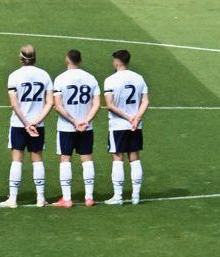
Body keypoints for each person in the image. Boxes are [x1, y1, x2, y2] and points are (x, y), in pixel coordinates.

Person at [0, 44, 53, 208]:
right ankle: (40, 198)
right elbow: (50, 102)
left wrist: (26, 123)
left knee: (17, 160)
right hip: (38, 124)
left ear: (21, 58)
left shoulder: (14, 76)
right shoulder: (44, 75)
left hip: (18, 124)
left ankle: (13, 199)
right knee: (37, 159)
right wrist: (35, 122)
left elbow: (14, 104)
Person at [52, 48, 101, 207]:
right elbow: (97, 104)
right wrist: (85, 121)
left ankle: (67, 199)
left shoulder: (60, 79)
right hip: (86, 127)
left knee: (65, 159)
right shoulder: (91, 78)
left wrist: (74, 121)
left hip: (67, 127)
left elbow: (58, 106)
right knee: (87, 159)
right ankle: (89, 197)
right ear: (80, 61)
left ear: (67, 60)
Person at [103, 48, 149, 205]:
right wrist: (136, 118)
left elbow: (110, 105)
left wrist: (128, 117)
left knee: (117, 157)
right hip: (135, 125)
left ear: (116, 62)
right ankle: (136, 196)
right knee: (134, 157)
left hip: (118, 125)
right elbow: (145, 101)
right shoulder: (139, 78)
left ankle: (118, 196)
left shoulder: (110, 80)